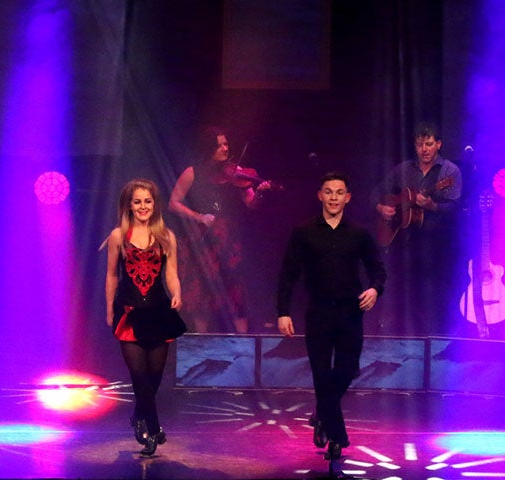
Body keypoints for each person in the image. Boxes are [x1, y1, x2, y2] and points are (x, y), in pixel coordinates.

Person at [276, 172, 386, 460]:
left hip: (351, 312)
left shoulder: (359, 233)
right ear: (320, 195)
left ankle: (323, 412)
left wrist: (375, 289)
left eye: (339, 192)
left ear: (347, 197)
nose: (334, 197)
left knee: (348, 370)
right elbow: (288, 274)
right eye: (329, 191)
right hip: (319, 312)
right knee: (322, 374)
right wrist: (283, 312)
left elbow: (378, 269)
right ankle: (337, 436)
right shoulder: (304, 231)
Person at [105, 179, 183, 457]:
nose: (142, 206)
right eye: (137, 201)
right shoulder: (118, 236)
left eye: (147, 201)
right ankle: (153, 427)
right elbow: (112, 275)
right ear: (129, 205)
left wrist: (177, 293)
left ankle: (139, 416)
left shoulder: (166, 236)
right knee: (139, 376)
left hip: (159, 313)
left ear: (155, 204)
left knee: (154, 377)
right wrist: (109, 309)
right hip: (129, 313)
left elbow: (171, 272)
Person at [169, 126, 272, 333]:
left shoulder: (236, 173)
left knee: (235, 292)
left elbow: (251, 202)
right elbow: (174, 203)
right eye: (220, 145)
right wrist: (198, 216)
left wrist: (260, 193)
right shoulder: (192, 172)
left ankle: (241, 346)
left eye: (226, 143)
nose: (226, 148)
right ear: (208, 149)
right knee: (201, 293)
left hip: (228, 240)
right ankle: (202, 343)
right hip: (202, 240)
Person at [372, 122, 462, 335]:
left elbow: (455, 207)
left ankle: (435, 336)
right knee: (401, 289)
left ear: (438, 144)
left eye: (429, 144)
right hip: (403, 245)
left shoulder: (449, 172)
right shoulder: (403, 169)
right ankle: (398, 333)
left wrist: (432, 205)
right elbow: (376, 191)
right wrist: (381, 207)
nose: (424, 149)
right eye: (420, 144)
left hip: (437, 245)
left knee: (432, 294)